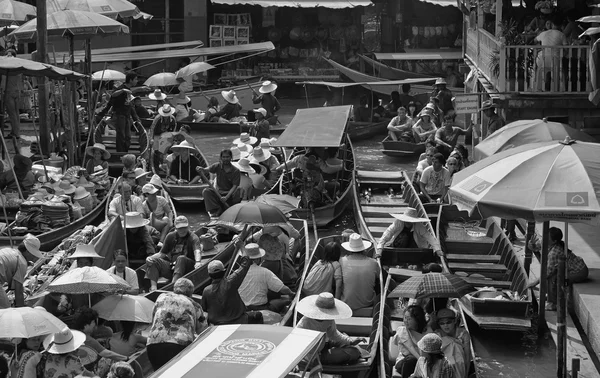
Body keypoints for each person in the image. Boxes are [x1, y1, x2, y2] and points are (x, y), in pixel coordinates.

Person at [526, 227, 589, 311]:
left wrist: (534, 283)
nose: (544, 239)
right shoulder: (545, 242)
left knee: (555, 278)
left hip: (579, 271)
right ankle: (550, 296)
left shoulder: (555, 252)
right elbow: (535, 247)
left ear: (554, 241)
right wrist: (531, 245)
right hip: (568, 268)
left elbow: (548, 272)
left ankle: (554, 303)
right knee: (552, 274)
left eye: (547, 237)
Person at [147, 278, 204, 370]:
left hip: (154, 342)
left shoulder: (161, 297)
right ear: (191, 292)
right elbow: (203, 331)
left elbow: (153, 317)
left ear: (174, 289)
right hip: (179, 344)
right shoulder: (195, 305)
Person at [296, 292, 366, 365]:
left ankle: (352, 351)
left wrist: (351, 341)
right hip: (314, 355)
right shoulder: (304, 324)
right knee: (352, 352)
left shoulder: (328, 319)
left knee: (350, 343)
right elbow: (296, 344)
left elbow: (334, 334)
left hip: (323, 343)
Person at [145, 215, 202, 291]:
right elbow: (161, 253)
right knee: (154, 261)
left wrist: (198, 262)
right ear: (176, 228)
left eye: (184, 228)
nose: (182, 230)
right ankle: (153, 288)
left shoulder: (193, 237)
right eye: (179, 228)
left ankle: (174, 285)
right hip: (173, 267)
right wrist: (150, 258)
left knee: (181, 258)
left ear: (188, 227)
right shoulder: (170, 236)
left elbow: (197, 251)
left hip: (188, 267)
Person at [202, 255, 263, 325]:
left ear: (209, 275)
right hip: (239, 320)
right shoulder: (231, 282)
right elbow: (244, 266)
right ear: (224, 271)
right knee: (258, 315)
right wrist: (243, 250)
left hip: (217, 323)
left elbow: (204, 309)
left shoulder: (206, 291)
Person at [237, 243, 295, 312]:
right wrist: (292, 294)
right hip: (260, 308)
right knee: (283, 302)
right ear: (257, 259)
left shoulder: (237, 273)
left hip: (241, 309)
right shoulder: (264, 272)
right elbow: (283, 289)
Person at [96, 72, 141, 152]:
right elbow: (113, 95)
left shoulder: (129, 90)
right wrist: (123, 90)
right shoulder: (121, 88)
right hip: (120, 115)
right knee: (121, 135)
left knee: (128, 137)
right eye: (136, 79)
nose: (137, 81)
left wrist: (136, 118)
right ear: (130, 80)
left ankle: (125, 151)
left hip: (127, 116)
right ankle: (120, 152)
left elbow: (130, 106)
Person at [376, 208, 442, 256]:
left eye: (410, 221)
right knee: (404, 237)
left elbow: (429, 237)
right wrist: (379, 248)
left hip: (414, 247)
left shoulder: (419, 226)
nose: (408, 222)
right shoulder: (398, 223)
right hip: (399, 245)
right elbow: (388, 233)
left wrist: (437, 249)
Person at [340, 234, 379, 313]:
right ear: (364, 249)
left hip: (347, 302)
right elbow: (378, 277)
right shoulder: (373, 262)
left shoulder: (342, 261)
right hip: (367, 302)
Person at [0, 235, 42, 308]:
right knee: (6, 309)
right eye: (33, 254)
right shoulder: (22, 263)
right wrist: (21, 308)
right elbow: (18, 291)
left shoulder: (10, 250)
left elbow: (9, 264)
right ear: (27, 251)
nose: (34, 257)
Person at [198, 149, 241, 218]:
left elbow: (234, 186)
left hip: (229, 194)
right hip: (218, 193)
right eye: (223, 157)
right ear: (221, 158)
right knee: (206, 191)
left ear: (231, 158)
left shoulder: (236, 171)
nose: (225, 159)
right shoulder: (217, 166)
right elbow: (207, 169)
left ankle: (226, 208)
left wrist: (226, 197)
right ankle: (216, 209)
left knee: (238, 191)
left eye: (227, 157)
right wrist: (202, 169)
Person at [393, 305, 430, 378]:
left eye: (409, 319)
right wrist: (422, 363)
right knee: (411, 360)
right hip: (405, 361)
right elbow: (411, 348)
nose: (405, 321)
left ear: (417, 320)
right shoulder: (403, 331)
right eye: (405, 318)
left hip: (423, 359)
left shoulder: (427, 330)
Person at [435, 308, 470, 378]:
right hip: (444, 367)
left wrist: (466, 374)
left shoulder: (463, 334)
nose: (445, 325)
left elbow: (467, 356)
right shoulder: (437, 334)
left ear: (454, 321)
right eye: (442, 323)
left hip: (459, 365)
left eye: (448, 322)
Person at [534, 17, 567, 91]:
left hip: (542, 59)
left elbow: (535, 40)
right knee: (559, 71)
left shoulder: (544, 33)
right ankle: (556, 89)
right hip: (555, 59)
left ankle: (539, 88)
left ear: (552, 24)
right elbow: (566, 48)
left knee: (540, 71)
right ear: (561, 25)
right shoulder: (561, 35)